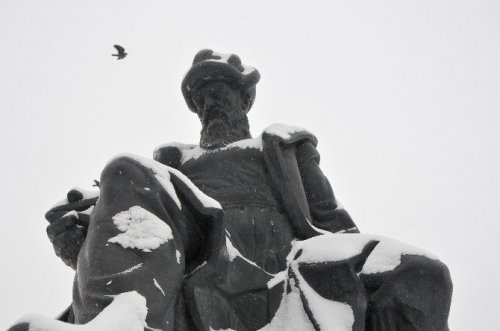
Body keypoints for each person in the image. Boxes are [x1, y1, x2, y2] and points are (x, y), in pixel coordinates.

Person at [29, 50, 451, 331]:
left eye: (219, 94)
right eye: (201, 99)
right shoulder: (173, 162)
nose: (210, 105)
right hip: (204, 263)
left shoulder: (281, 148)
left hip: (277, 269)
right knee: (123, 169)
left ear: (244, 100)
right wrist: (82, 249)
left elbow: (333, 225)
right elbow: (146, 241)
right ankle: (119, 323)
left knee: (423, 271)